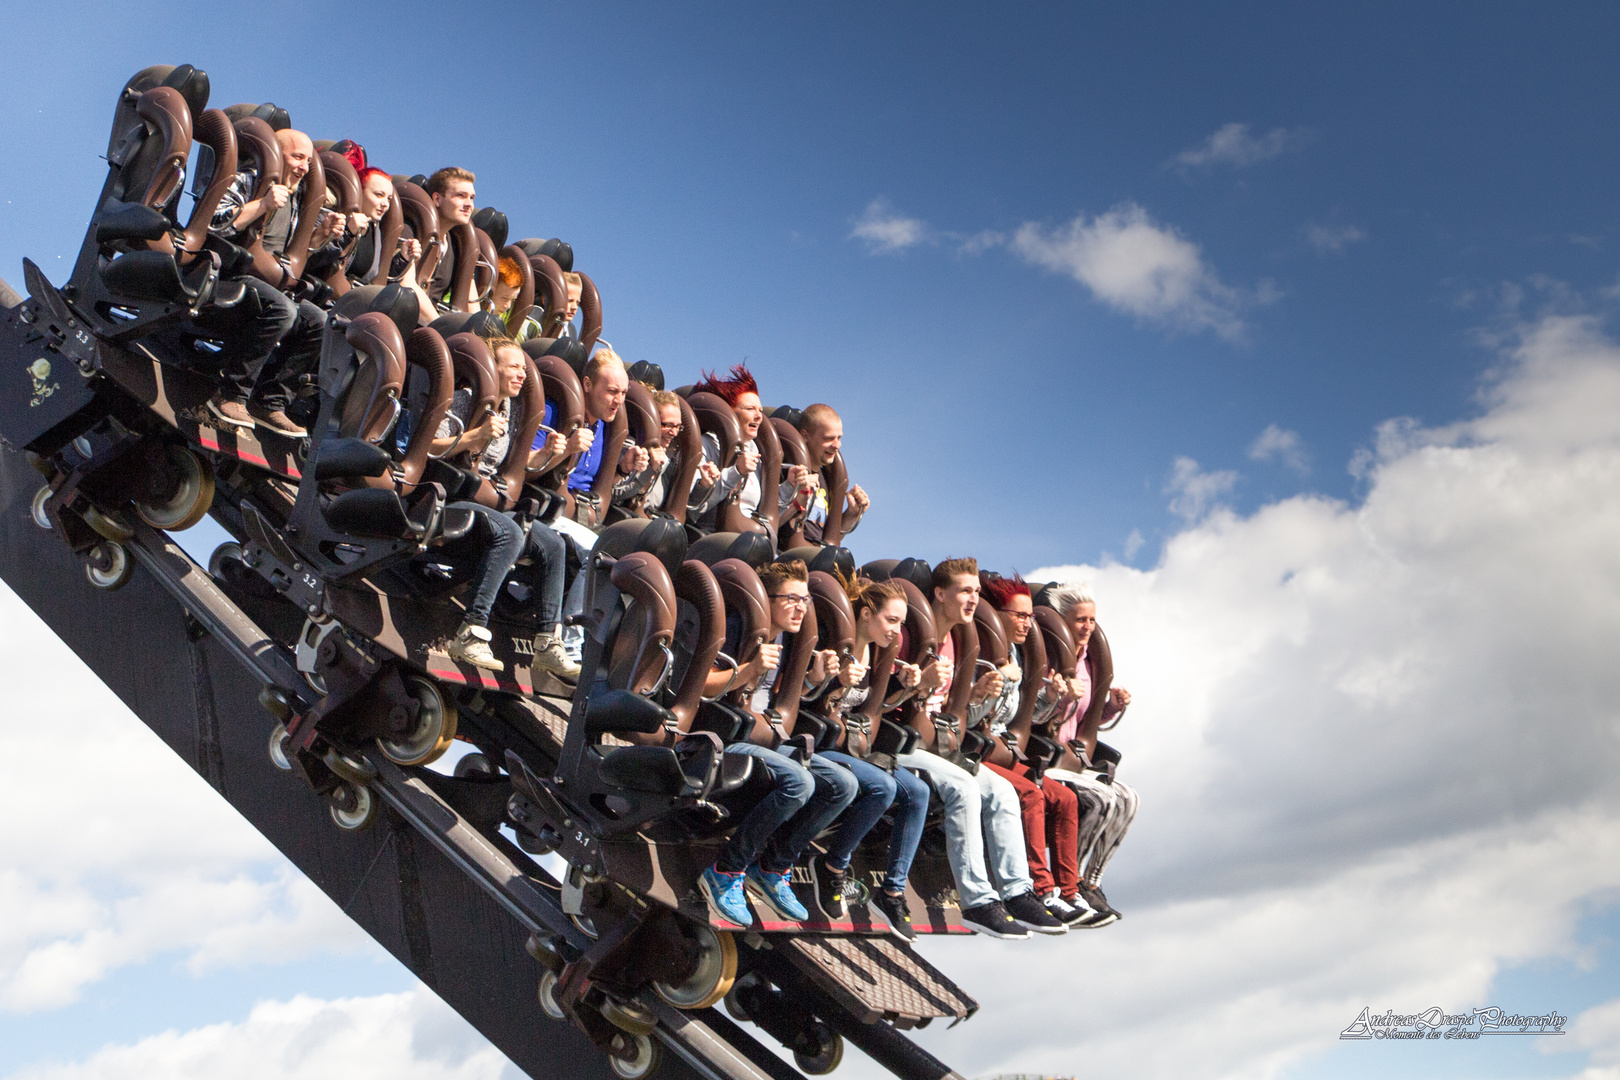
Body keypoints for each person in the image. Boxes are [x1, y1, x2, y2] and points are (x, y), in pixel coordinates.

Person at [893, 558, 1067, 938]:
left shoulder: (959, 641)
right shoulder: (907, 635)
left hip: (940, 744)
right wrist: (917, 683)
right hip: (900, 742)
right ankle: (977, 901)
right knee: (962, 788)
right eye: (964, 591)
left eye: (976, 591)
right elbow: (886, 701)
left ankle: (1018, 892)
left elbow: (957, 714)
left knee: (1003, 792)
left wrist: (977, 694)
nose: (973, 599)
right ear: (940, 594)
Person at [700, 560, 865, 925]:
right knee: (799, 782)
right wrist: (749, 669)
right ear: (766, 598)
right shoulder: (737, 628)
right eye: (791, 599)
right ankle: (726, 870)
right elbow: (701, 684)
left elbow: (776, 699)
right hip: (722, 737)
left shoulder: (785, 643)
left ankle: (773, 868)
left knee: (844, 784)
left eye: (804, 601)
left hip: (765, 737)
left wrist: (814, 680)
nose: (801, 608)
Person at [429, 334, 576, 678]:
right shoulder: (467, 400)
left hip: (489, 499)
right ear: (489, 369)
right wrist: (474, 437)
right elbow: (430, 445)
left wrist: (550, 454)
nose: (522, 375)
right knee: (509, 531)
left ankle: (547, 643)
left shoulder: (512, 411)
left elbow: (516, 468)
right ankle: (471, 631)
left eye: (524, 368)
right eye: (513, 367)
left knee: (552, 543)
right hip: (451, 493)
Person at [972, 574, 1087, 925]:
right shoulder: (979, 652)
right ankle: (1042, 889)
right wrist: (989, 688)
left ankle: (1071, 891)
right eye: (1019, 616)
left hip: (1004, 750)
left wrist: (1051, 699)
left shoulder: (1014, 655)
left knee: (1065, 799)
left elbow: (1021, 714)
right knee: (1030, 794)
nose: (1026, 623)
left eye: (1029, 617)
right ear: (998, 615)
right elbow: (968, 714)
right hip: (974, 749)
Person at [207, 127, 335, 435]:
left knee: (318, 321)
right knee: (283, 310)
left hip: (269, 281)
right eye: (297, 157)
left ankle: (270, 400)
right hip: (227, 272)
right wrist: (261, 205)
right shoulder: (250, 179)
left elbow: (286, 252)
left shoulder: (294, 199)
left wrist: (320, 237)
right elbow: (213, 223)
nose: (303, 167)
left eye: (307, 160)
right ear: (276, 155)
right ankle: (230, 394)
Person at [824, 575, 932, 939]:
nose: (897, 631)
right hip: (821, 741)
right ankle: (834, 867)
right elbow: (810, 701)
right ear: (867, 614)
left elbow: (875, 710)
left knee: (917, 793)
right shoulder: (836, 644)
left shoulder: (878, 652)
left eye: (901, 623)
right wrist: (836, 681)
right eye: (892, 620)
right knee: (883, 787)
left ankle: (892, 891)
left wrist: (905, 687)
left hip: (854, 745)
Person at [1039, 582, 1135, 927]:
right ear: (1062, 621)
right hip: (1047, 757)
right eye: (1080, 620)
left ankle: (1092, 882)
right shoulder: (1048, 658)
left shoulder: (1088, 664)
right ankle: (1071, 884)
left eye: (1092, 620)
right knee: (1101, 800)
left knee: (1128, 799)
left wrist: (1110, 706)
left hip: (1075, 759)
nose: (1087, 627)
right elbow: (1036, 716)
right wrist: (1059, 696)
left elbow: (1086, 719)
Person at [689, 364, 768, 533]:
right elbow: (692, 509)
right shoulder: (707, 444)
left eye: (760, 410)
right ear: (729, 413)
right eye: (750, 409)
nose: (758, 416)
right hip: (709, 538)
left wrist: (792, 489)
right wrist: (736, 471)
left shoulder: (755, 452)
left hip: (751, 537)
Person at [781, 404, 872, 544]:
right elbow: (772, 523)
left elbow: (825, 538)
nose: (837, 445)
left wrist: (851, 514)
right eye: (828, 438)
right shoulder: (789, 472)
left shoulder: (828, 480)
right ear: (805, 436)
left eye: (839, 438)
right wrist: (795, 494)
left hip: (815, 556)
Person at [397, 166, 477, 324]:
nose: (469, 205)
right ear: (437, 199)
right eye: (461, 196)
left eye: (472, 198)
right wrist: (440, 328)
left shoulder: (456, 248)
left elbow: (472, 307)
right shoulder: (409, 229)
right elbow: (405, 283)